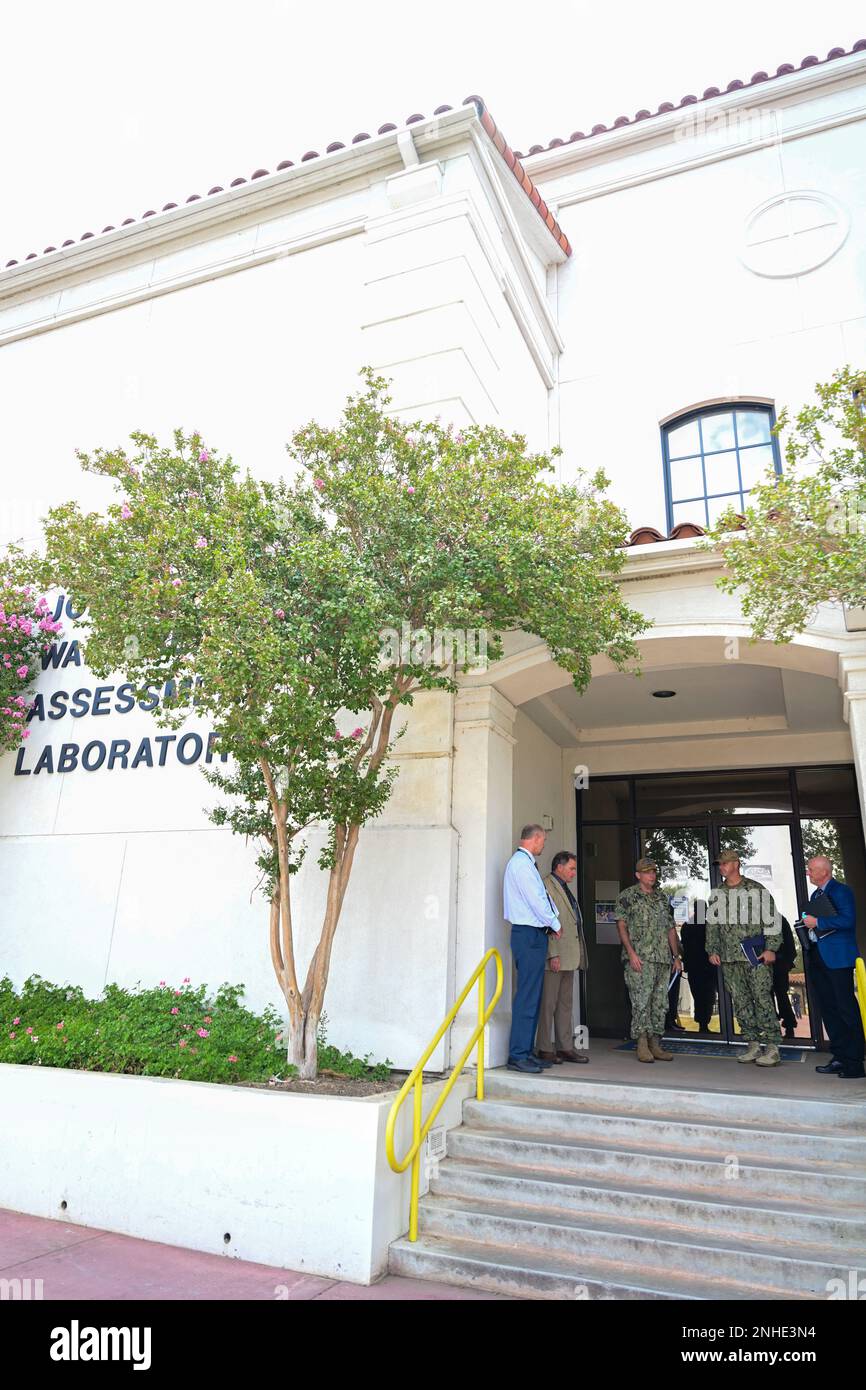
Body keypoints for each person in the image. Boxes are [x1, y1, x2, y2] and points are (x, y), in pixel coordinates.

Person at [706, 851, 783, 1067]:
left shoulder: (755, 889)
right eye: (719, 864)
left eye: (725, 863)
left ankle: (773, 1048)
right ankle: (753, 1044)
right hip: (729, 958)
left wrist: (771, 949)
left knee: (762, 998)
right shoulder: (717, 894)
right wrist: (712, 950)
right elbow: (712, 926)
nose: (721, 866)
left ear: (736, 864)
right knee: (740, 1002)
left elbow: (772, 920)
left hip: (755, 955)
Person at [503, 824, 560, 1074]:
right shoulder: (521, 864)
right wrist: (554, 922)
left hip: (533, 934)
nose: (544, 845)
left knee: (533, 996)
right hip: (528, 934)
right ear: (535, 839)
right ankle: (517, 1055)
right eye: (543, 840)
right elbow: (536, 899)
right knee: (527, 995)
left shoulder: (525, 863)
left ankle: (526, 1052)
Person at [615, 858, 682, 1063]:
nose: (651, 875)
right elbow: (621, 926)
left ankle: (655, 1043)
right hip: (640, 959)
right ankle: (642, 1043)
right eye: (647, 872)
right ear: (638, 875)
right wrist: (631, 953)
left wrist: (676, 956)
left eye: (653, 872)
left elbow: (670, 929)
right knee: (641, 1002)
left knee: (660, 1003)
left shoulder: (662, 898)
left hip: (662, 959)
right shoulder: (628, 896)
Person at [802, 856, 864, 1080]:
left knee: (845, 1009)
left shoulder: (841, 891)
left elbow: (848, 920)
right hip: (819, 957)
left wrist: (818, 923)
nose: (808, 873)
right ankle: (839, 1056)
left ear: (824, 872)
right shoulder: (816, 895)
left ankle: (855, 1062)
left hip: (838, 959)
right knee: (828, 1009)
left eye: (811, 870)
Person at [537, 851, 589, 1064]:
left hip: (570, 955)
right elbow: (546, 922)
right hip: (556, 956)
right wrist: (553, 954)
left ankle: (565, 1047)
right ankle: (544, 1047)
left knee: (565, 1004)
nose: (574, 873)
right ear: (559, 866)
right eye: (571, 868)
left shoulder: (565, 888)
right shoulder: (546, 885)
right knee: (548, 1004)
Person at [681, 899, 717, 1033]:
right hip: (706, 968)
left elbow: (684, 946)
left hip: (696, 967)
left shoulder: (687, 925)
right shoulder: (708, 926)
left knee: (699, 996)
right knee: (707, 996)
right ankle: (703, 1024)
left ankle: (702, 1024)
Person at [771, 916, 798, 1040]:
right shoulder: (756, 919)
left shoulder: (779, 919)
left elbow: (789, 944)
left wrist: (785, 961)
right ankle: (773, 1027)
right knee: (767, 997)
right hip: (765, 965)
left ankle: (789, 1026)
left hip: (779, 964)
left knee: (781, 995)